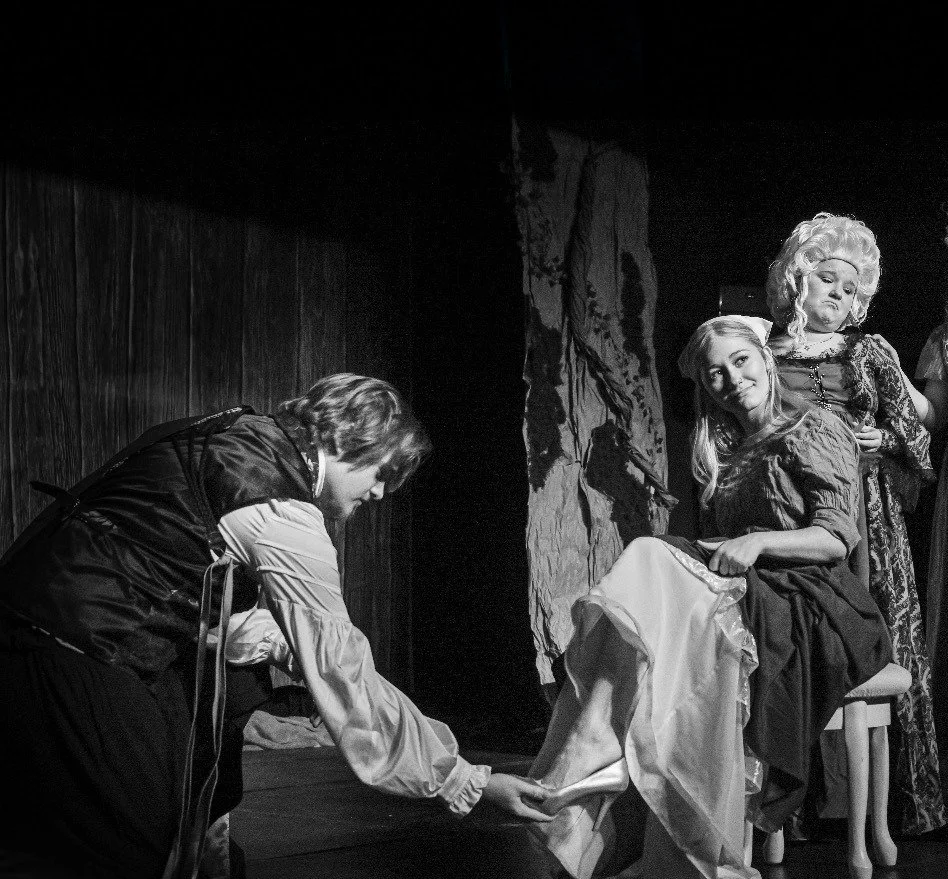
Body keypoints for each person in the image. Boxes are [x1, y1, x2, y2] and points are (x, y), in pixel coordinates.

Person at [0, 374, 550, 879]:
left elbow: (179, 573)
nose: (382, 493)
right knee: (123, 844)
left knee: (198, 755)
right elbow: (343, 672)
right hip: (70, 639)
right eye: (383, 473)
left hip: (45, 621)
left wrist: (278, 645)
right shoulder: (281, 509)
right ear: (346, 439)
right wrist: (465, 780)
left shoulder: (231, 434)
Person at [528, 317, 891, 879]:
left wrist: (757, 542)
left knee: (650, 567)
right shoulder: (727, 451)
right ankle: (646, 834)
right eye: (716, 373)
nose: (732, 379)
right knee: (643, 641)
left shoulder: (814, 426)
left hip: (813, 601)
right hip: (748, 591)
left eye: (740, 361)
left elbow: (835, 538)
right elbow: (724, 552)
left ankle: (579, 804)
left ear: (765, 359)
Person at [766, 213, 946, 834]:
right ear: (797, 280)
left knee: (878, 638)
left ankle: (891, 809)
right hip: (791, 507)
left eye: (851, 289)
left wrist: (884, 438)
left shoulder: (868, 352)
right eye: (828, 280)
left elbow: (919, 430)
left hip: (866, 513)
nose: (839, 296)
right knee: (795, 643)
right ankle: (792, 807)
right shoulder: (762, 352)